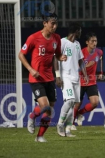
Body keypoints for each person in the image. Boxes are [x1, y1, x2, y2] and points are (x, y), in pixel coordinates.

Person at [18, 13, 67, 142]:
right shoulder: (33, 38)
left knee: (49, 110)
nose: (55, 26)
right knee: (45, 106)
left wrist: (61, 59)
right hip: (36, 79)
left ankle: (40, 136)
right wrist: (30, 69)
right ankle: (32, 116)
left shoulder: (56, 38)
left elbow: (57, 55)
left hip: (50, 78)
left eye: (56, 23)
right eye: (52, 23)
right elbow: (21, 55)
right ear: (44, 23)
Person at [55, 22, 88, 137]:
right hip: (65, 76)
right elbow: (55, 58)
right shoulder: (62, 42)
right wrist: (57, 76)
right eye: (80, 31)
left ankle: (68, 129)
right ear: (76, 31)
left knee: (73, 104)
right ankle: (60, 124)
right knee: (69, 100)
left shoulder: (77, 44)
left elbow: (81, 61)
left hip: (76, 77)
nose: (81, 33)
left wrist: (85, 74)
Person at [71, 32, 103, 130]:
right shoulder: (81, 53)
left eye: (96, 41)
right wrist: (87, 65)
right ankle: (71, 123)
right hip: (80, 80)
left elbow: (100, 59)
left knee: (95, 102)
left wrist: (100, 72)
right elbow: (75, 67)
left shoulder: (99, 52)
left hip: (92, 81)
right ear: (87, 42)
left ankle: (80, 113)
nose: (94, 43)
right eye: (92, 41)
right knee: (77, 103)